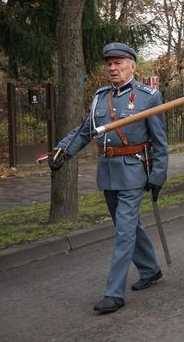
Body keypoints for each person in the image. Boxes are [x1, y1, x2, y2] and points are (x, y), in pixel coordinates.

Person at [48, 42, 168, 313]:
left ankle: (114, 293)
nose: (113, 68)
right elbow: (85, 131)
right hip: (108, 171)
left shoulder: (149, 97)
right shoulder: (100, 97)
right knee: (129, 226)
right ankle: (150, 269)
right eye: (110, 64)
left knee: (124, 232)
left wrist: (158, 175)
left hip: (134, 171)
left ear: (133, 66)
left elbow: (160, 141)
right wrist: (62, 152)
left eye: (119, 63)